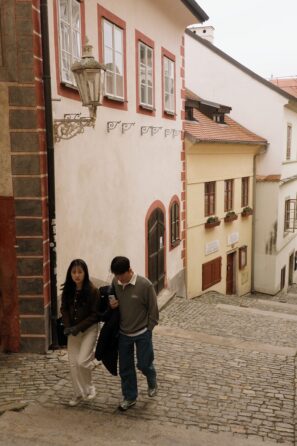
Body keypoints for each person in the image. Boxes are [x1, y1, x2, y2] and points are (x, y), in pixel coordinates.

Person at [109, 256, 159, 411]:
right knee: (125, 368)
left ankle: (151, 378)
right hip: (124, 334)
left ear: (129, 271)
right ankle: (130, 397)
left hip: (142, 332)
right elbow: (111, 299)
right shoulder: (115, 283)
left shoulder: (145, 285)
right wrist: (111, 304)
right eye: (116, 275)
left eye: (121, 276)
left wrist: (149, 329)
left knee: (144, 364)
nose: (118, 279)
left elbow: (153, 310)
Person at [60, 258, 100, 406]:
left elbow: (95, 315)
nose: (77, 275)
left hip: (89, 330)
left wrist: (77, 327)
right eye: (74, 272)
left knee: (82, 361)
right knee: (73, 364)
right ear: (70, 273)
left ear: (85, 273)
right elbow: (63, 308)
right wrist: (68, 325)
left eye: (80, 272)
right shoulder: (68, 290)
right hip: (73, 330)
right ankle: (78, 394)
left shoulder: (92, 290)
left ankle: (90, 388)